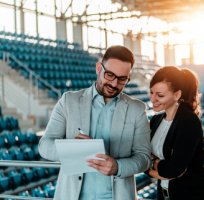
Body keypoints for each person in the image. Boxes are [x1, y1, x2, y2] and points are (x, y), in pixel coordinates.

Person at [38, 45, 151, 200]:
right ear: (99, 68)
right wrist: (72, 147)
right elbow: (44, 146)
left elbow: (144, 158)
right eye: (110, 75)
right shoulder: (68, 101)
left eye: (122, 79)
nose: (114, 84)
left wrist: (118, 167)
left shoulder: (137, 109)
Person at [147, 66, 204, 200]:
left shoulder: (189, 121)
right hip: (165, 195)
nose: (153, 99)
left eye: (160, 95)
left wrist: (153, 163)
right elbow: (143, 159)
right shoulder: (155, 120)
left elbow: (175, 169)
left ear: (177, 95)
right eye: (151, 92)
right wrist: (161, 168)